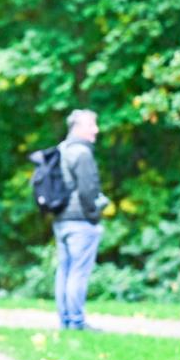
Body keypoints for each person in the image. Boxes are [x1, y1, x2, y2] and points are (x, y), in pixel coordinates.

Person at [53, 109, 108, 330]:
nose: (96, 130)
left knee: (65, 270)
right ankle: (77, 322)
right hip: (80, 220)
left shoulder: (61, 150)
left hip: (61, 219)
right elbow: (88, 191)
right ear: (78, 127)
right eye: (91, 125)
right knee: (78, 271)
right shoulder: (82, 153)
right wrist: (94, 215)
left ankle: (66, 320)